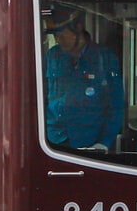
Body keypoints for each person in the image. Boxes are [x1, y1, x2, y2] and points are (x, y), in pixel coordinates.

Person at [44, 9, 123, 152]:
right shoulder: (52, 56)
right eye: (56, 35)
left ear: (78, 27)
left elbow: (116, 106)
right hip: (52, 141)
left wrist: (104, 143)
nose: (58, 40)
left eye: (62, 34)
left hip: (90, 142)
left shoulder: (104, 58)